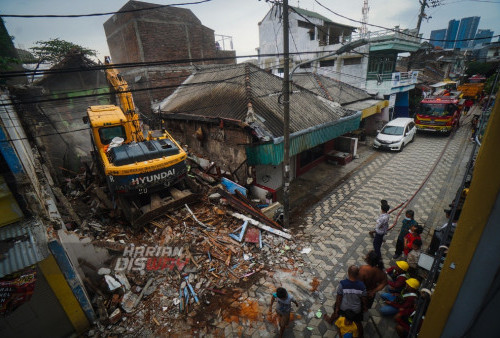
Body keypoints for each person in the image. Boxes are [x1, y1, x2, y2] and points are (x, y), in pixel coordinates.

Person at [325, 265, 367, 338]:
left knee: (335, 311)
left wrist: (337, 309)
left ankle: (330, 320)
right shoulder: (362, 286)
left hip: (344, 308)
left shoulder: (343, 284)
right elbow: (364, 299)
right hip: (356, 309)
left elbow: (339, 298)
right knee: (358, 322)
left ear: (348, 273)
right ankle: (361, 335)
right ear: (358, 274)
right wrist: (364, 307)